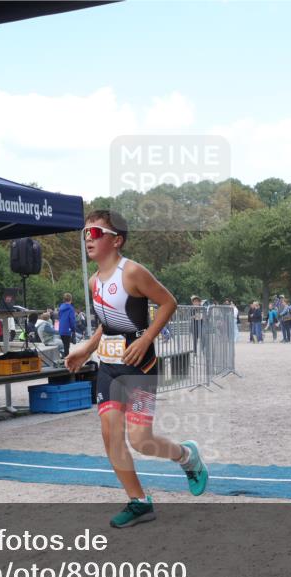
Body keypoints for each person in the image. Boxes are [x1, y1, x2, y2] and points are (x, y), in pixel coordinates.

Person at [65, 210, 208, 528]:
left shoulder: (132, 273)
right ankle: (139, 502)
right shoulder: (93, 281)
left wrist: (146, 339)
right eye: (85, 233)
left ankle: (186, 456)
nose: (89, 238)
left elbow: (168, 302)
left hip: (140, 368)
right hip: (108, 369)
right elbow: (107, 323)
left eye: (96, 233)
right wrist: (86, 350)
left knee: (141, 440)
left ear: (117, 241)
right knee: (110, 435)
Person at [58, 292, 76, 358]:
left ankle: (65, 359)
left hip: (61, 329)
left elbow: (59, 317)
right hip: (67, 329)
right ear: (71, 299)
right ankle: (67, 361)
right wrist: (73, 329)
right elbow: (72, 320)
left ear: (64, 299)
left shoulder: (61, 307)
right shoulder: (71, 308)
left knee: (65, 345)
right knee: (67, 347)